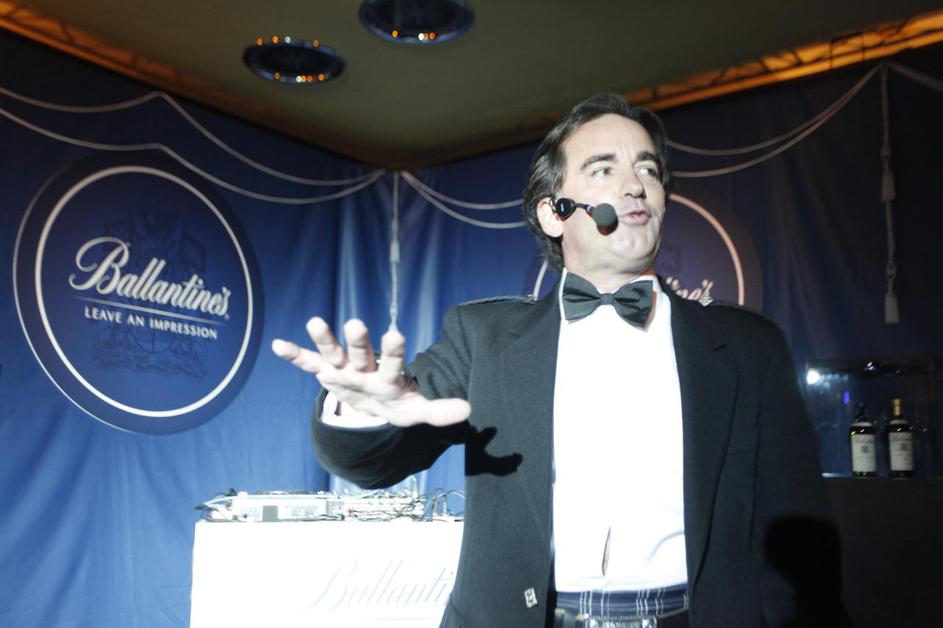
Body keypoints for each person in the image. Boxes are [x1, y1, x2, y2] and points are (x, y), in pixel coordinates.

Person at [272, 94, 845, 627]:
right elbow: (373, 465)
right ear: (553, 213)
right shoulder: (483, 337)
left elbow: (804, 544)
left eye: (648, 169)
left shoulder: (747, 346)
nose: (635, 186)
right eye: (603, 169)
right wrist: (363, 409)